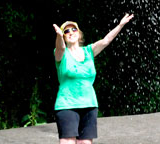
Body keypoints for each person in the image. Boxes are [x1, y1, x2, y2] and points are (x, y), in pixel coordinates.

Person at [52, 14, 134, 144]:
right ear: (64, 36)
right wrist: (58, 35)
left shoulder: (89, 51)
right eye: (66, 31)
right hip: (67, 105)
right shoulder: (61, 54)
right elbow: (61, 47)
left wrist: (121, 25)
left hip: (89, 104)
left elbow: (106, 41)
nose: (70, 32)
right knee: (68, 142)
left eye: (74, 30)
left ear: (79, 34)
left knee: (85, 143)